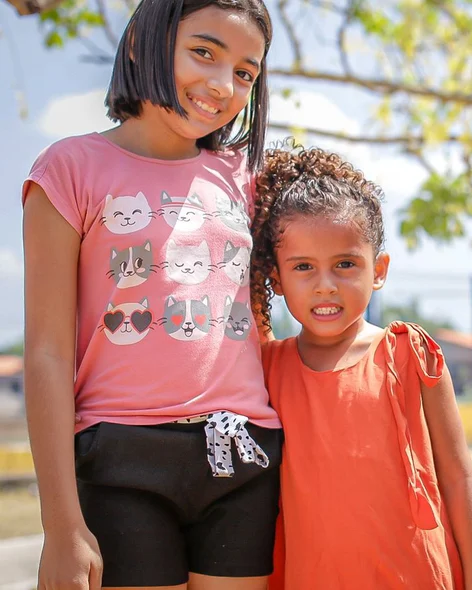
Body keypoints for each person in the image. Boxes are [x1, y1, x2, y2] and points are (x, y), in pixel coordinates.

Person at [21, 0, 281, 588]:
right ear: (141, 42)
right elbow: (47, 354)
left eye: (245, 72)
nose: (222, 84)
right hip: (120, 459)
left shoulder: (246, 177)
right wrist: (61, 525)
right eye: (204, 52)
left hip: (243, 456)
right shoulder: (69, 168)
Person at [250, 146, 472, 589]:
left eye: (346, 264)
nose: (326, 285)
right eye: (302, 267)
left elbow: (458, 478)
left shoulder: (409, 354)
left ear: (378, 269)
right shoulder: (263, 369)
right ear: (276, 280)